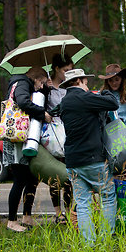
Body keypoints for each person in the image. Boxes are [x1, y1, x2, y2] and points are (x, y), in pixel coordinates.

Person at [60, 68, 119, 243]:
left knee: (83, 203)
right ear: (79, 81)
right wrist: (106, 91)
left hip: (72, 161)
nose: (87, 85)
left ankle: (89, 243)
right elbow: (112, 103)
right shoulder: (85, 98)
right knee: (108, 195)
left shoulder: (64, 102)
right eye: (86, 82)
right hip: (93, 159)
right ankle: (106, 237)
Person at [4, 66, 52, 232]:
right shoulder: (21, 83)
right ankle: (11, 221)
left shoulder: (28, 84)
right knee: (19, 180)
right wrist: (42, 113)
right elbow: (23, 102)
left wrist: (47, 87)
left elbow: (38, 96)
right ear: (36, 79)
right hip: (17, 139)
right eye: (41, 83)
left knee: (31, 178)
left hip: (24, 138)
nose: (41, 86)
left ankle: (27, 216)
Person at [45, 53, 74, 224]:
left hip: (70, 132)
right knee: (55, 174)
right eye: (65, 70)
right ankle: (58, 213)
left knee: (69, 173)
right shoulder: (48, 87)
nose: (68, 73)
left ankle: (69, 211)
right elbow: (40, 106)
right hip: (54, 135)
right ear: (56, 69)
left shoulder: (69, 86)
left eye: (70, 70)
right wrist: (44, 89)